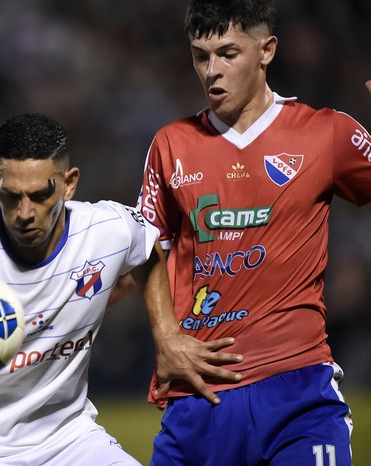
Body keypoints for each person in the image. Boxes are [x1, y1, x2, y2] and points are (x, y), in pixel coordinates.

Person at [0, 113, 241, 465]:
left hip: (70, 441)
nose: (25, 212)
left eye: (40, 195)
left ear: (69, 184)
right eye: (11, 195)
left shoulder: (108, 230)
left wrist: (167, 335)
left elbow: (147, 249)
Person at [135, 0, 371, 464]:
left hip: (299, 391)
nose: (211, 71)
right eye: (201, 56)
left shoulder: (326, 133)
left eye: (227, 53)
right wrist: (165, 337)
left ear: (267, 50)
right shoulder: (170, 145)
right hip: (200, 395)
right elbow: (143, 250)